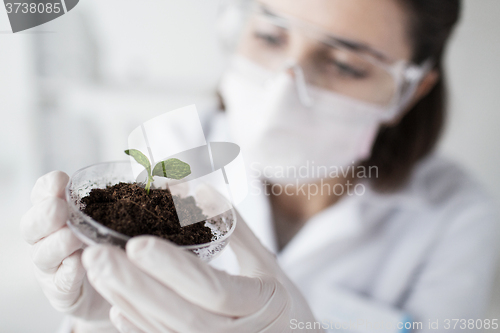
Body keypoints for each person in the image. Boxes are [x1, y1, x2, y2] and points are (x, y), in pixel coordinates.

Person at [21, 0, 499, 332]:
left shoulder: (456, 218)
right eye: (270, 36)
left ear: (411, 91)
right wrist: (99, 321)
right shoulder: (172, 149)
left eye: (346, 65)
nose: (281, 92)